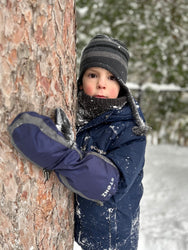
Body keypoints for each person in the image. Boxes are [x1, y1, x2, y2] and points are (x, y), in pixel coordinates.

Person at [8, 34, 150, 250]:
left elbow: (107, 184)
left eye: (112, 78)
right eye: (93, 75)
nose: (102, 84)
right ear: (81, 81)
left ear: (122, 85)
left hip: (112, 239)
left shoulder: (131, 129)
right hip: (79, 229)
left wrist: (59, 155)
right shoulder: (78, 114)